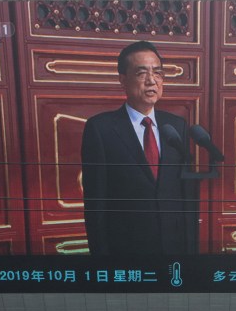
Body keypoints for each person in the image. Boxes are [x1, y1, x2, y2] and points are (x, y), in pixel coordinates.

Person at [80, 40, 198, 259]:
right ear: (122, 80)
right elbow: (95, 205)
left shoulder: (177, 126)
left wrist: (191, 254)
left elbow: (187, 198)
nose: (151, 80)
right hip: (125, 251)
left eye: (158, 73)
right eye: (142, 73)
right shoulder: (101, 129)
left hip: (174, 250)